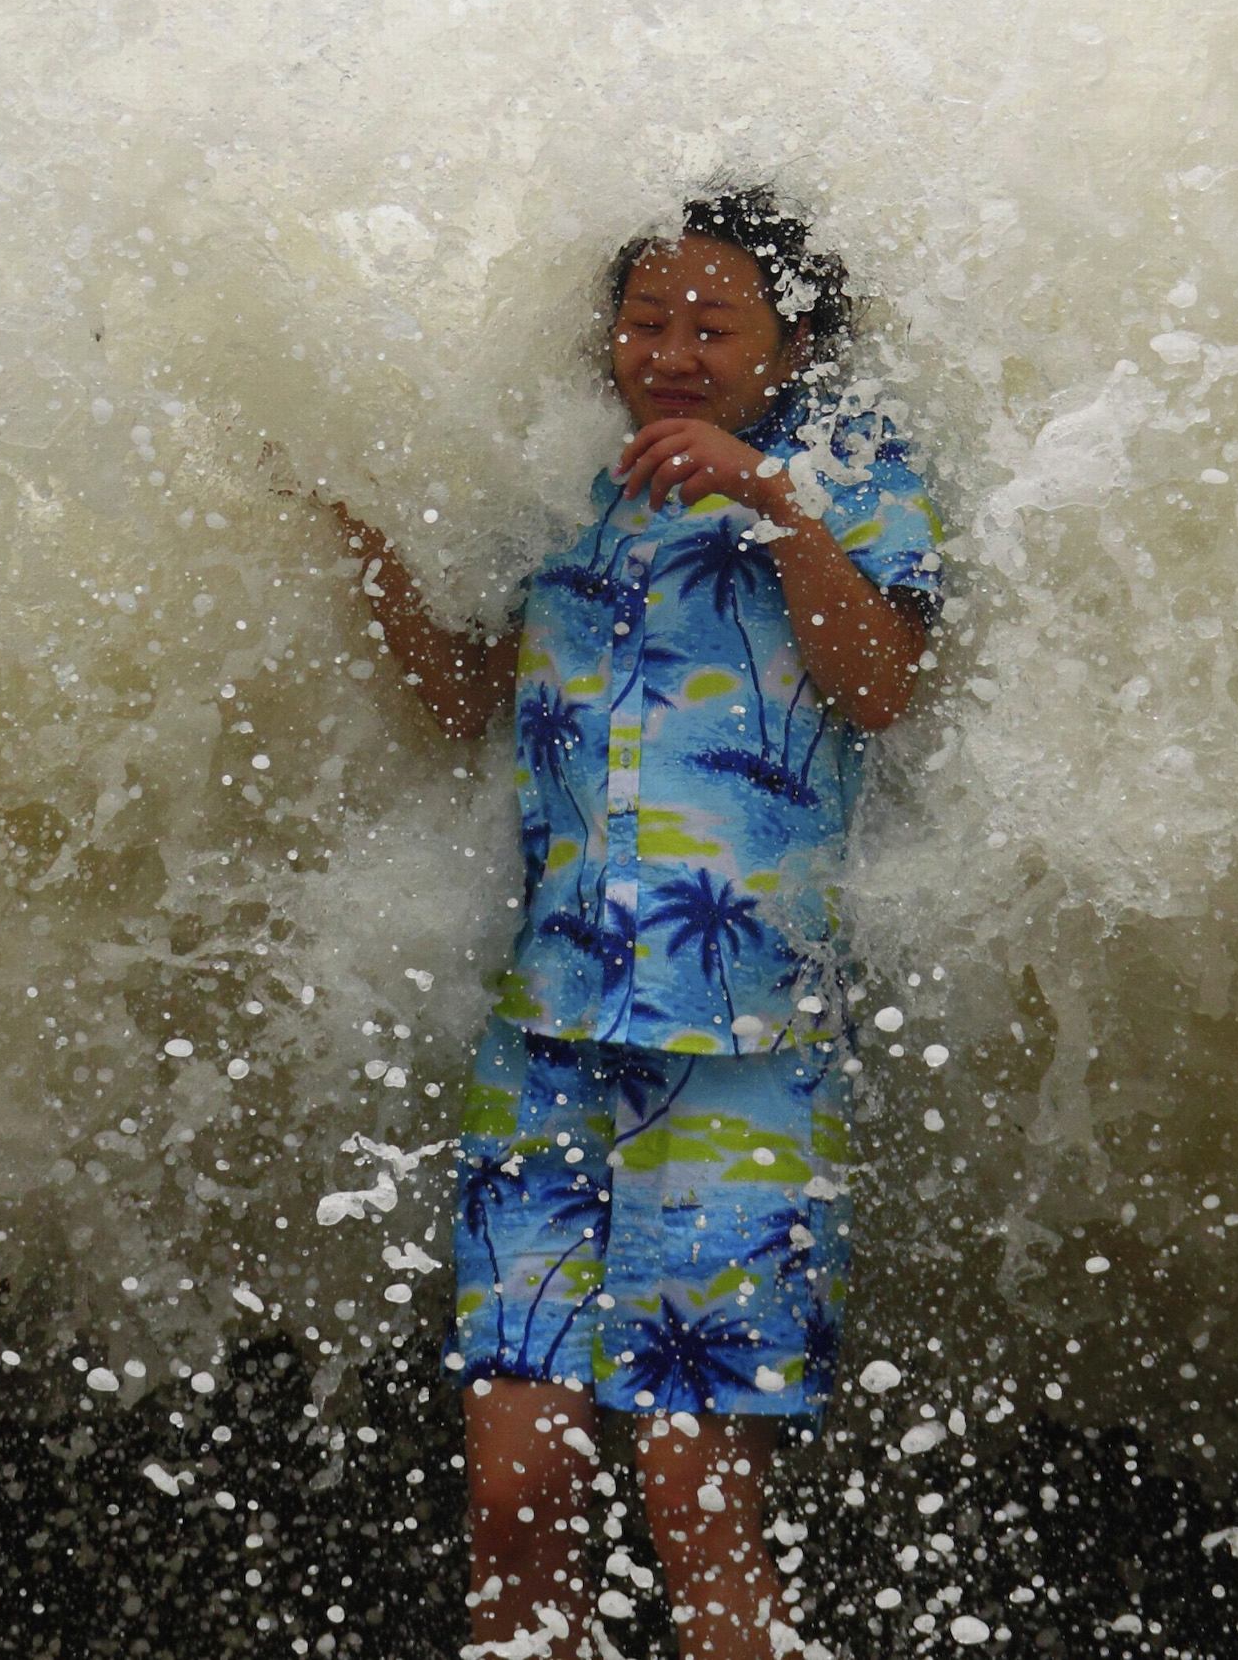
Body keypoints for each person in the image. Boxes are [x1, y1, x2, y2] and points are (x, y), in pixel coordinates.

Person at [327, 190, 940, 1659]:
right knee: (514, 1495)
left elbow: (882, 688)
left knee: (693, 1499)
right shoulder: (562, 479)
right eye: (647, 322)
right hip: (546, 1032)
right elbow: (467, 700)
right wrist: (364, 550)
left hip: (748, 1048)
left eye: (712, 327)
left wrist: (771, 502)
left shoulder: (853, 468)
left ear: (790, 345)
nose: (670, 353)